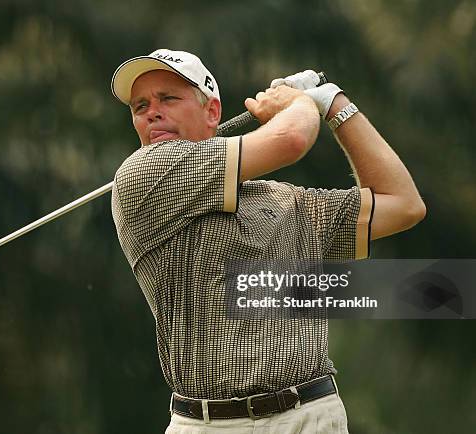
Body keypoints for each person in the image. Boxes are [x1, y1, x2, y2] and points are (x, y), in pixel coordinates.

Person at [109, 49, 425, 433]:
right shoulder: (142, 175)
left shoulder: (286, 200)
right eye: (140, 105)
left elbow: (404, 204)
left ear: (212, 112)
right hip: (206, 424)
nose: (152, 112)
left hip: (308, 416)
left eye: (168, 98)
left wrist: (336, 105)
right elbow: (291, 139)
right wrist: (299, 102)